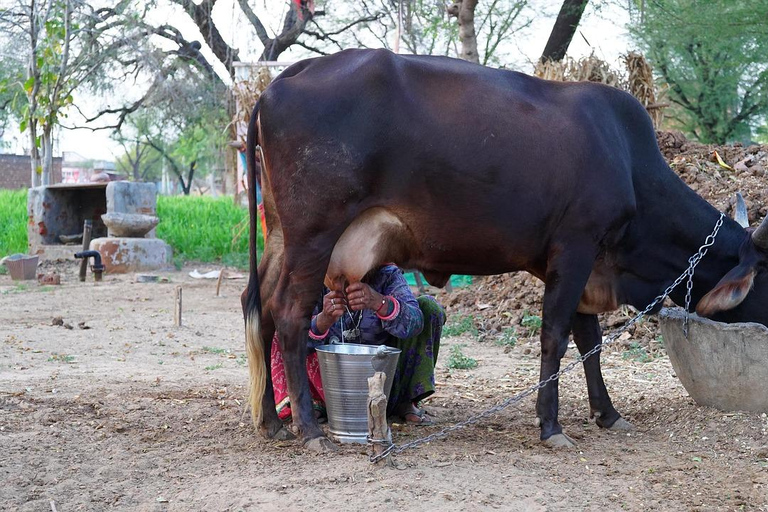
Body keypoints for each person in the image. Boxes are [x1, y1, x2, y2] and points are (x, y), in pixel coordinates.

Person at [270, 264, 445, 425]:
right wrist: (323, 320)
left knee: (429, 308)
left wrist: (380, 303)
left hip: (385, 384)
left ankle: (403, 401)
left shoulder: (386, 275)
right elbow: (291, 341)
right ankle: (312, 403)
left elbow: (415, 323)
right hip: (328, 389)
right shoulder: (314, 276)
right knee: (281, 325)